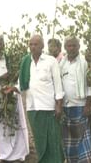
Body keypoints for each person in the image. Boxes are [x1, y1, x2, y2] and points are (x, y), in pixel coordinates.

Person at [8, 34, 64, 162]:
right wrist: (12, 88)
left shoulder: (51, 61)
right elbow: (22, 84)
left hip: (49, 107)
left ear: (42, 46)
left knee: (53, 141)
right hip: (33, 107)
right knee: (39, 141)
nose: (33, 47)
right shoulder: (26, 61)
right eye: (31, 44)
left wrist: (59, 105)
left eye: (36, 44)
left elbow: (58, 85)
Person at [0, 35, 29, 162]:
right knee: (0, 125)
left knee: (15, 123)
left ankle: (19, 154)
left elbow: (17, 76)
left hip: (12, 96)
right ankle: (4, 155)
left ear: (3, 44)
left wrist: (11, 86)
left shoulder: (10, 58)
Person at [59, 36, 91, 162]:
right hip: (66, 106)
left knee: (82, 139)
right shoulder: (61, 64)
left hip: (81, 106)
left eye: (74, 45)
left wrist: (88, 105)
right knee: (69, 141)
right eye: (69, 45)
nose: (71, 48)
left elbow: (90, 85)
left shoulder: (85, 62)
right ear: (65, 47)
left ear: (79, 47)